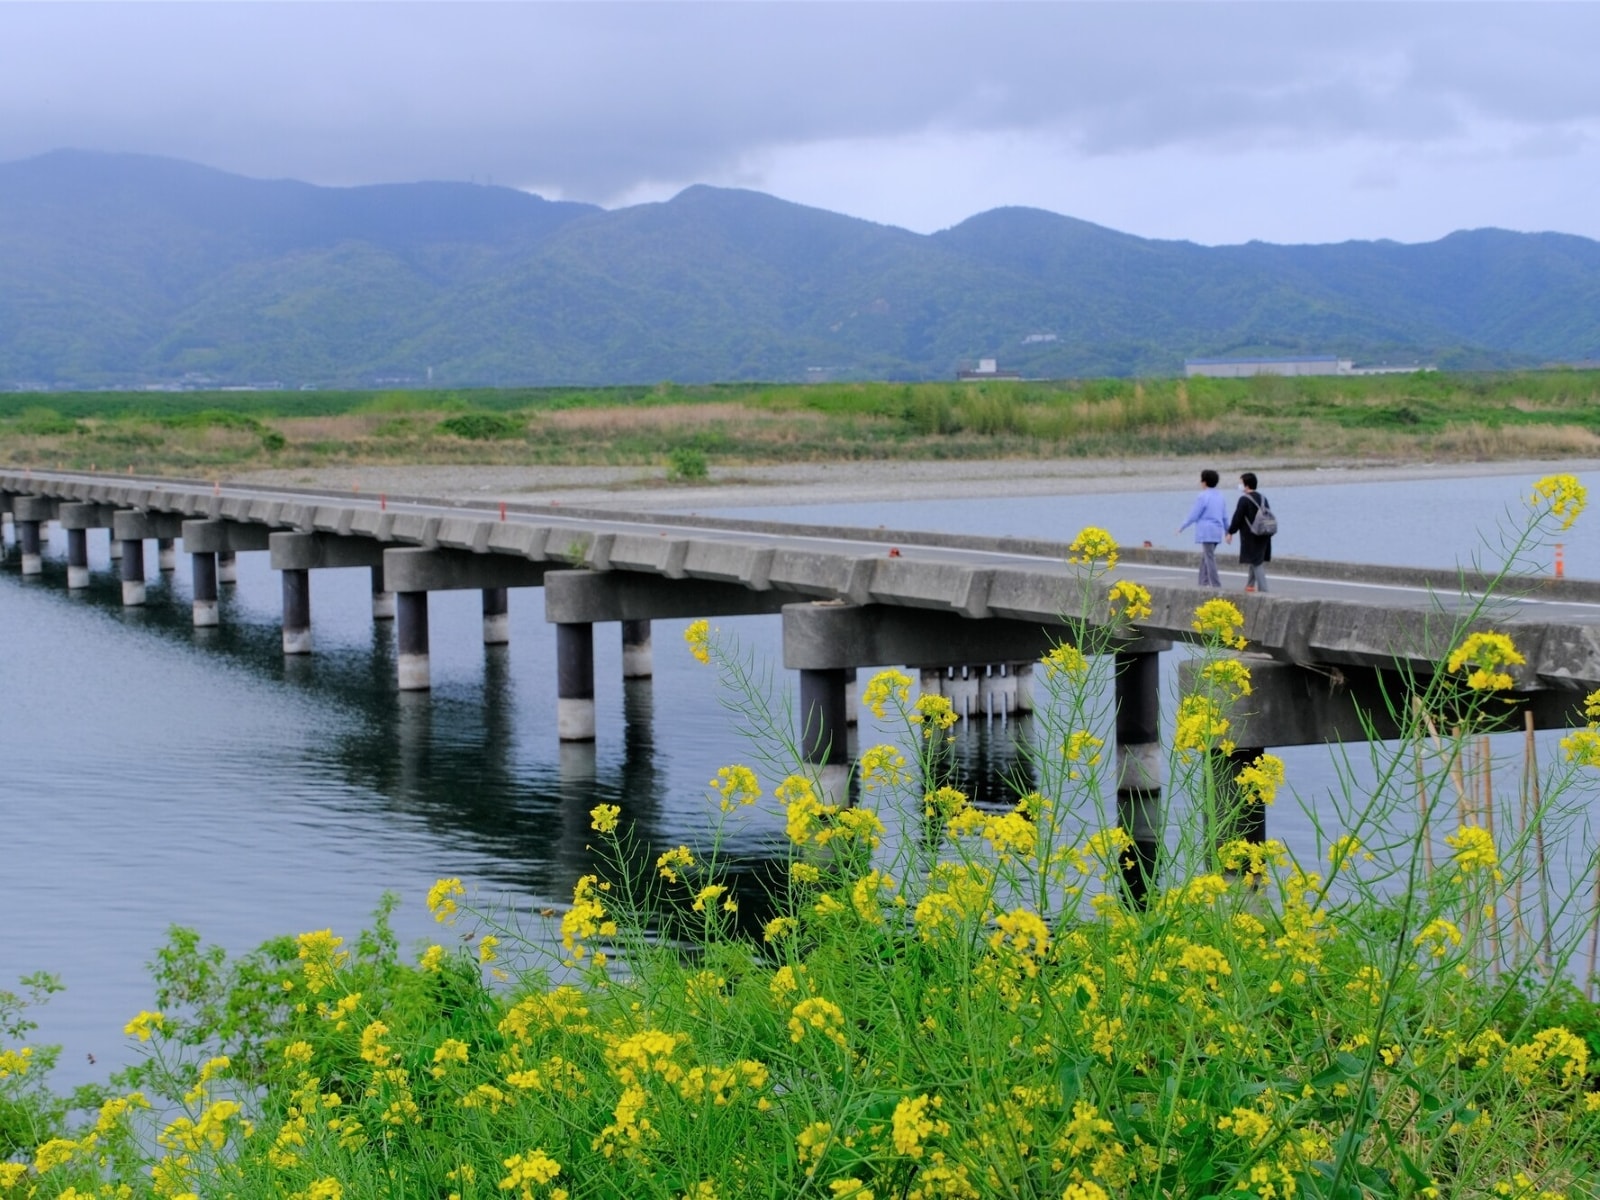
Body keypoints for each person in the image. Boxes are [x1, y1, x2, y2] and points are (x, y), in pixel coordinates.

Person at [1176, 468, 1227, 587]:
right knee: (1206, 557)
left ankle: (1215, 584)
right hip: (1217, 530)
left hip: (1206, 531)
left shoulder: (1203, 496)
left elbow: (1194, 514)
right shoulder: (1220, 496)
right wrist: (1228, 531)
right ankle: (1202, 583)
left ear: (1204, 482)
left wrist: (1182, 527)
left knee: (1209, 558)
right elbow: (1225, 516)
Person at [1225, 471, 1272, 592]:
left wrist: (1230, 532)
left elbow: (1237, 517)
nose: (1239, 485)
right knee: (1256, 558)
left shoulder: (1244, 499)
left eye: (1241, 483)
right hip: (1264, 533)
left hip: (1251, 536)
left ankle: (1264, 590)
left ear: (1247, 485)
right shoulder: (1263, 498)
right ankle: (1250, 585)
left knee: (1256, 563)